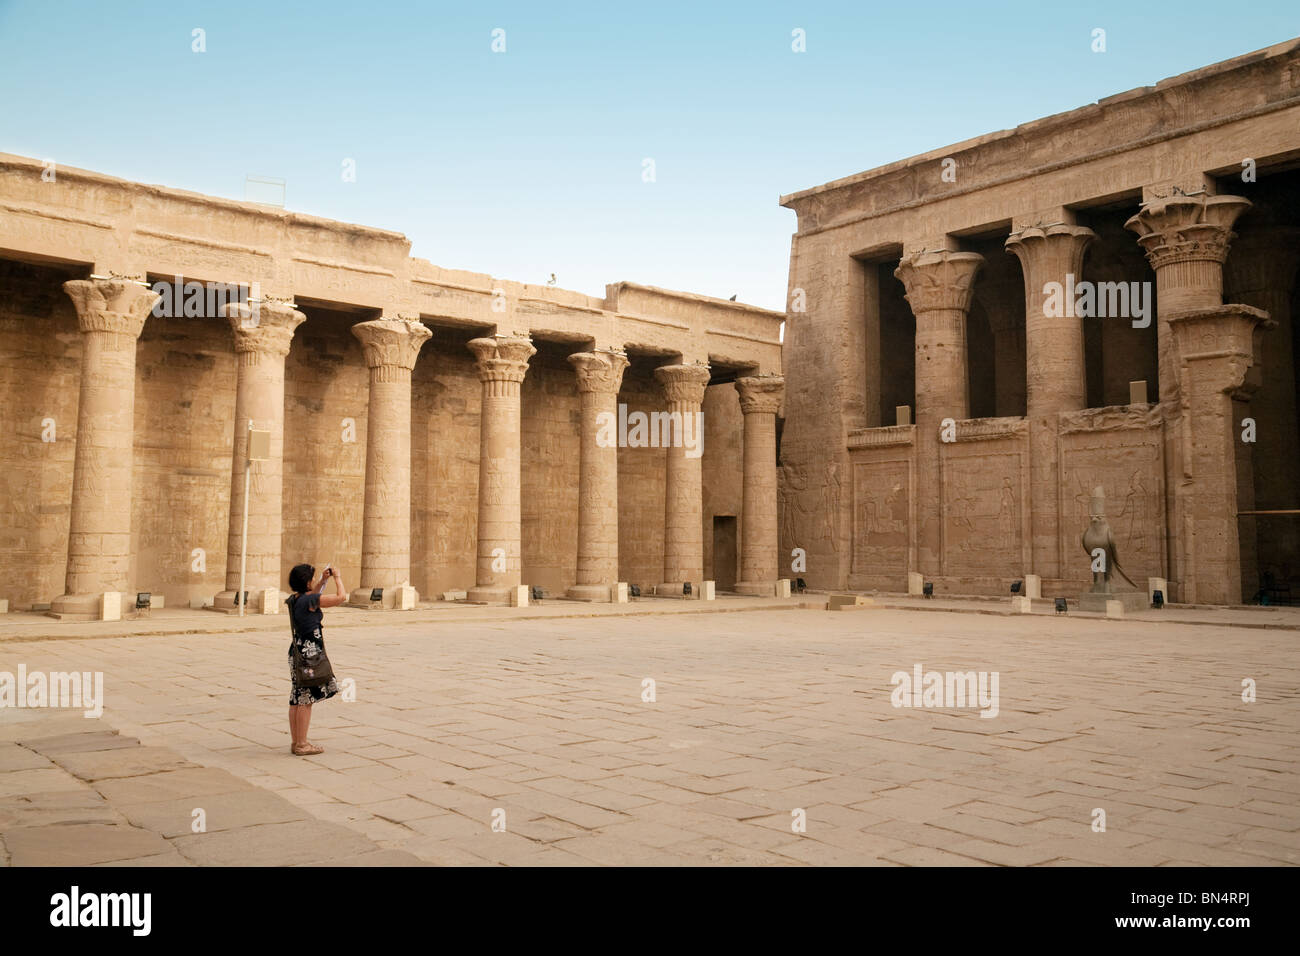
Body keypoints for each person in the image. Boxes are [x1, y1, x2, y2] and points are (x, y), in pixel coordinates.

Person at [286, 563, 345, 755]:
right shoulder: (310, 599)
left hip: (297, 650)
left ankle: (297, 742)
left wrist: (322, 579)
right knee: (306, 699)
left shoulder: (295, 599)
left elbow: (312, 594)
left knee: (297, 697)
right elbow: (340, 598)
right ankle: (302, 744)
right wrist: (337, 578)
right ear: (306, 581)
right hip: (310, 654)